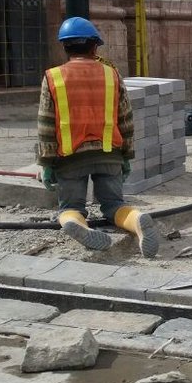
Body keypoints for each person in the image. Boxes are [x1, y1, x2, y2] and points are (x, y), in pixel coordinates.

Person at [37, 17, 159, 257]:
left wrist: (46, 163)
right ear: (94, 47)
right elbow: (126, 119)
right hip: (108, 153)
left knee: (70, 206)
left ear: (65, 47)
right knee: (114, 204)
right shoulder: (112, 75)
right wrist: (125, 156)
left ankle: (75, 222)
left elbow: (46, 124)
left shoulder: (53, 77)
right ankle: (137, 220)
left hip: (70, 158)